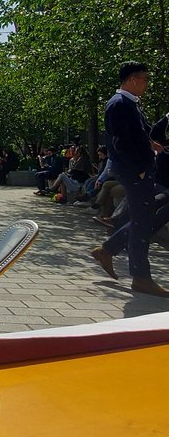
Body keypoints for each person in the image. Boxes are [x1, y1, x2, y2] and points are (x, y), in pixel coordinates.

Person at [91, 62, 169, 296]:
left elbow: (141, 134)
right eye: (145, 79)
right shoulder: (120, 105)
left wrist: (154, 141)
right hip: (136, 173)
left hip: (139, 171)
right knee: (142, 223)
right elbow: (121, 143)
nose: (147, 84)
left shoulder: (129, 104)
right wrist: (139, 169)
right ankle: (141, 277)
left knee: (141, 219)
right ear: (133, 79)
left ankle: (108, 250)